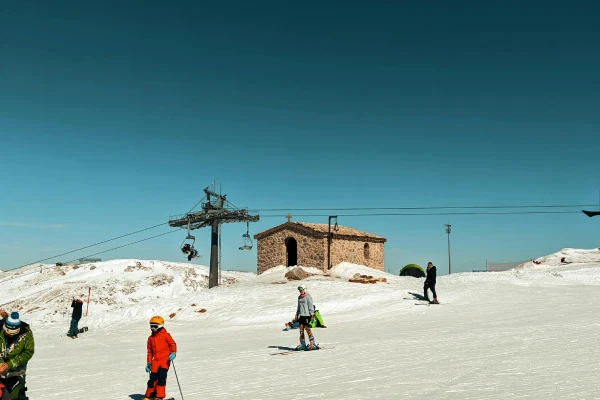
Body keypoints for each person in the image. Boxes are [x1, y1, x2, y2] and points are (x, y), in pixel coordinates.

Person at [0, 312, 34, 400]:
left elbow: (28, 352)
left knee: (16, 395)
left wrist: (10, 364)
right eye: (7, 332)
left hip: (16, 372)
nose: (9, 335)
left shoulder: (26, 334)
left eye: (12, 333)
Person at [143, 316, 177, 400]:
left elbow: (172, 344)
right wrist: (149, 362)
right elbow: (150, 351)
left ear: (161, 326)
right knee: (152, 379)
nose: (153, 328)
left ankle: (159, 396)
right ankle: (149, 396)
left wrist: (173, 353)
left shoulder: (165, 335)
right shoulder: (150, 338)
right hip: (155, 362)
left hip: (165, 361)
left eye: (155, 326)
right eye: (151, 326)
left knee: (161, 379)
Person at [294, 285, 319, 350]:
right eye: (299, 290)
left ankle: (313, 343)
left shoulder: (308, 297)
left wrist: (312, 315)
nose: (300, 291)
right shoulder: (299, 297)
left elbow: (310, 306)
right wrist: (297, 314)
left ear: (305, 290)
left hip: (307, 316)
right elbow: (298, 307)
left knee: (308, 329)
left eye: (301, 290)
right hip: (301, 316)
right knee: (301, 330)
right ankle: (303, 344)